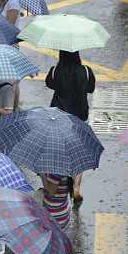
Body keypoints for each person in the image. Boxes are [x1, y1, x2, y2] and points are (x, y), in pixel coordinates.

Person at [45, 50, 96, 202]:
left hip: (58, 116)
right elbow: (91, 88)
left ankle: (59, 181)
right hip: (80, 116)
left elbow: (49, 84)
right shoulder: (86, 71)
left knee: (60, 150)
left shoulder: (55, 71)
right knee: (78, 152)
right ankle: (76, 188)